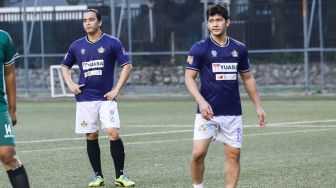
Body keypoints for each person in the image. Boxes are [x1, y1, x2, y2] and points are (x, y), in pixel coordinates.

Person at [184, 4, 267, 188]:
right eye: (211, 20)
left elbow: (248, 78)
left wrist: (258, 106)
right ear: (208, 23)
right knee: (197, 154)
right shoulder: (200, 48)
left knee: (233, 155)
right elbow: (189, 79)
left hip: (232, 113)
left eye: (219, 20)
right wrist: (201, 101)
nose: (215, 24)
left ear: (227, 22)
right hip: (207, 113)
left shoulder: (239, 48)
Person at [61, 9, 135, 187]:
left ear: (99, 22)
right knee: (91, 135)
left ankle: (120, 176)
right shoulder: (76, 46)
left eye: (91, 20)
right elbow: (65, 66)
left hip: (106, 99)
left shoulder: (112, 43)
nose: (87, 23)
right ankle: (97, 176)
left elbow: (127, 66)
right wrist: (70, 85)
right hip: (85, 99)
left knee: (113, 132)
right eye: (85, 20)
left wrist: (116, 89)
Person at [0, 30, 30, 188]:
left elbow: (10, 74)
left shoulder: (3, 37)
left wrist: (12, 109)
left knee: (8, 155)